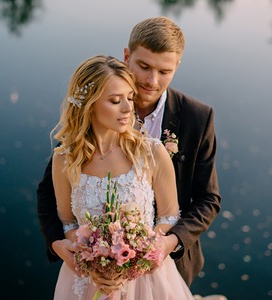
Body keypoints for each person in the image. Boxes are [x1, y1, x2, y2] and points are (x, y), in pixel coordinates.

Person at [37, 16, 221, 287]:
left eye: (164, 71)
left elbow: (208, 199)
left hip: (168, 265)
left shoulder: (197, 117)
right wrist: (61, 244)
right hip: (94, 269)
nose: (151, 81)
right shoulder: (96, 108)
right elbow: (50, 192)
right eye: (144, 66)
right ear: (127, 56)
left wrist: (164, 245)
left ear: (177, 67)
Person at [50, 55, 194, 299]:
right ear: (90, 104)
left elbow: (169, 215)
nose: (129, 108)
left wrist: (136, 255)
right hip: (88, 280)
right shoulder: (65, 159)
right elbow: (68, 223)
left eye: (130, 98)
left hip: (145, 279)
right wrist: (93, 256)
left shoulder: (151, 152)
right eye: (116, 101)